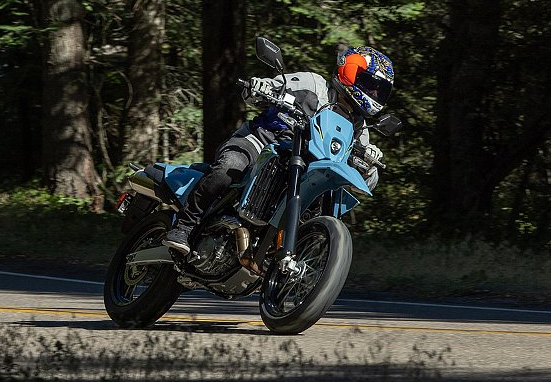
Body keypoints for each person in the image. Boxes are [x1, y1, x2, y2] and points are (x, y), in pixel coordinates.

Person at [162, 45, 395, 255]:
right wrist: (261, 87)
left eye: (380, 91)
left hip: (306, 169)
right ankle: (184, 225)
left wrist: (369, 167)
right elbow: (271, 87)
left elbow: (366, 181)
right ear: (350, 73)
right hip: (262, 142)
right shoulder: (314, 85)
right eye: (371, 85)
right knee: (229, 168)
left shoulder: (359, 127)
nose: (374, 94)